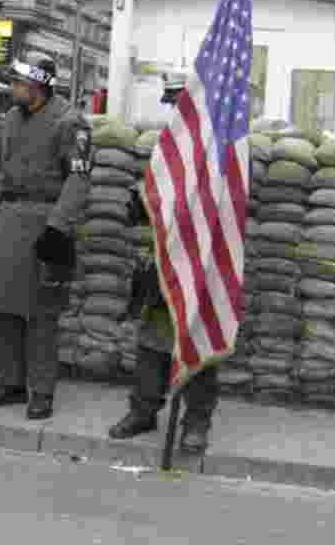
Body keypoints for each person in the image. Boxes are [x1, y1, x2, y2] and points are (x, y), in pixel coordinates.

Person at [0, 53, 92, 420]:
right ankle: (10, 382)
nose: (13, 89)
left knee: (42, 314)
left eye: (19, 83)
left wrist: (58, 226)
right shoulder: (10, 118)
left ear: (39, 85)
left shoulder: (70, 122)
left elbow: (79, 177)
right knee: (6, 308)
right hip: (9, 217)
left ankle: (41, 390)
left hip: (46, 222)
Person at [107, 78, 219, 454]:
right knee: (153, 341)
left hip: (200, 258)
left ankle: (196, 422)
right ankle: (143, 410)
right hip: (162, 255)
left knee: (196, 343)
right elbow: (153, 193)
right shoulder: (167, 147)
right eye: (171, 104)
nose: (173, 111)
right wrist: (140, 203)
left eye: (178, 104)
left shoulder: (215, 148)